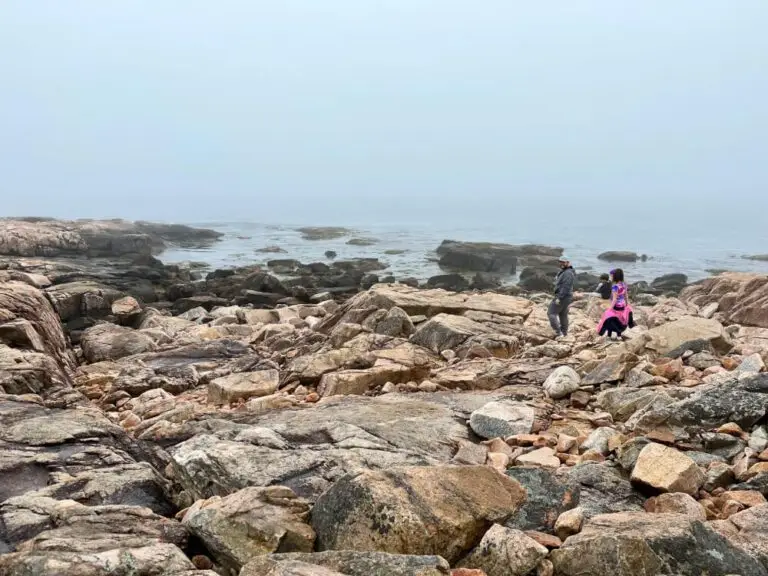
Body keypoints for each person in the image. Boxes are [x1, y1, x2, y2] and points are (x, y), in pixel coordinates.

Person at [597, 268, 635, 339]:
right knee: (620, 320)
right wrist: (627, 305)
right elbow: (626, 296)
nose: (611, 277)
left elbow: (614, 299)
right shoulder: (624, 285)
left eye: (612, 276)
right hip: (623, 306)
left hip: (616, 306)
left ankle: (609, 335)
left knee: (610, 319)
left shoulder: (615, 287)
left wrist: (610, 309)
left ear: (615, 276)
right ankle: (619, 336)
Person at [549, 256, 575, 338]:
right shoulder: (566, 271)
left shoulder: (568, 273)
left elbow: (566, 287)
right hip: (567, 297)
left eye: (563, 262)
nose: (561, 264)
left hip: (563, 296)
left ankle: (558, 333)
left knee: (551, 313)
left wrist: (559, 298)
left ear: (568, 263)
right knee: (563, 314)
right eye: (560, 262)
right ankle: (564, 333)